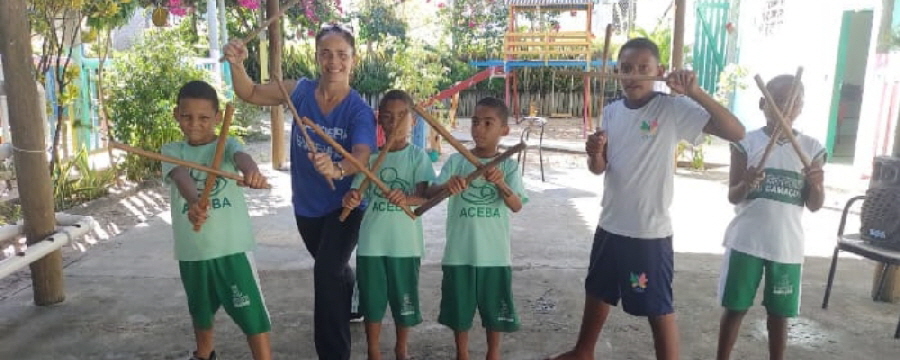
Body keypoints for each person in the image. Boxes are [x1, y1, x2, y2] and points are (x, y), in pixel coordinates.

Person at [549, 38, 746, 360]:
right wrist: (595, 153)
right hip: (610, 223)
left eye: (644, 68)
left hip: (648, 232)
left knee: (657, 306)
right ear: (617, 72)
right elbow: (600, 169)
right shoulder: (612, 111)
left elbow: (736, 132)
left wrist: (694, 92)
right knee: (598, 290)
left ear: (660, 72)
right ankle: (584, 351)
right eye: (626, 69)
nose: (634, 75)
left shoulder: (672, 108)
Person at [224, 24, 377, 360]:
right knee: (333, 266)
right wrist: (236, 64)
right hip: (306, 207)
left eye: (341, 54)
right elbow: (249, 93)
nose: (333, 61)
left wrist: (338, 168)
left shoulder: (358, 110)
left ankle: (333, 353)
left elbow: (363, 156)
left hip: (346, 205)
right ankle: (354, 300)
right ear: (317, 56)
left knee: (325, 272)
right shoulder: (300, 91)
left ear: (353, 60)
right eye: (326, 53)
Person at [715, 74, 825, 360]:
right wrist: (746, 183)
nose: (785, 109)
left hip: (786, 246)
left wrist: (816, 185)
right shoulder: (746, 143)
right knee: (735, 308)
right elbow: (733, 196)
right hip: (746, 242)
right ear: (763, 103)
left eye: (794, 102)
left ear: (801, 107)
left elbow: (814, 205)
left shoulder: (812, 149)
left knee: (779, 315)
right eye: (778, 101)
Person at [161, 80, 272, 360]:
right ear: (176, 115)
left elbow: (243, 158)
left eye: (204, 118)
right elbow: (182, 177)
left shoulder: (228, 145)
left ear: (218, 118)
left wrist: (252, 173)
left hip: (231, 249)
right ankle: (204, 354)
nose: (194, 123)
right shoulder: (172, 151)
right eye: (186, 116)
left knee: (251, 316)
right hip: (193, 251)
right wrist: (194, 200)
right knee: (200, 311)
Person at [429, 97, 527, 360]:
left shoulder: (508, 165)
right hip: (459, 253)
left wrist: (501, 184)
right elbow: (430, 192)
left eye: (488, 123)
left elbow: (516, 205)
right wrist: (447, 186)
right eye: (475, 122)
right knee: (459, 312)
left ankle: (492, 354)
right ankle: (462, 354)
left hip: (494, 255)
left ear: (503, 130)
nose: (479, 129)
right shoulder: (457, 162)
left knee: (495, 311)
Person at [342, 89, 435, 360]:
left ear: (413, 122)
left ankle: (401, 349)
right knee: (372, 301)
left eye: (401, 116)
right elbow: (356, 192)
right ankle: (373, 350)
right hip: (373, 241)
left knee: (404, 299)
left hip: (406, 243)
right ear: (379, 122)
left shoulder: (418, 157)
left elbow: (424, 197)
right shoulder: (370, 159)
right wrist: (351, 197)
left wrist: (407, 198)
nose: (394, 122)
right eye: (388, 117)